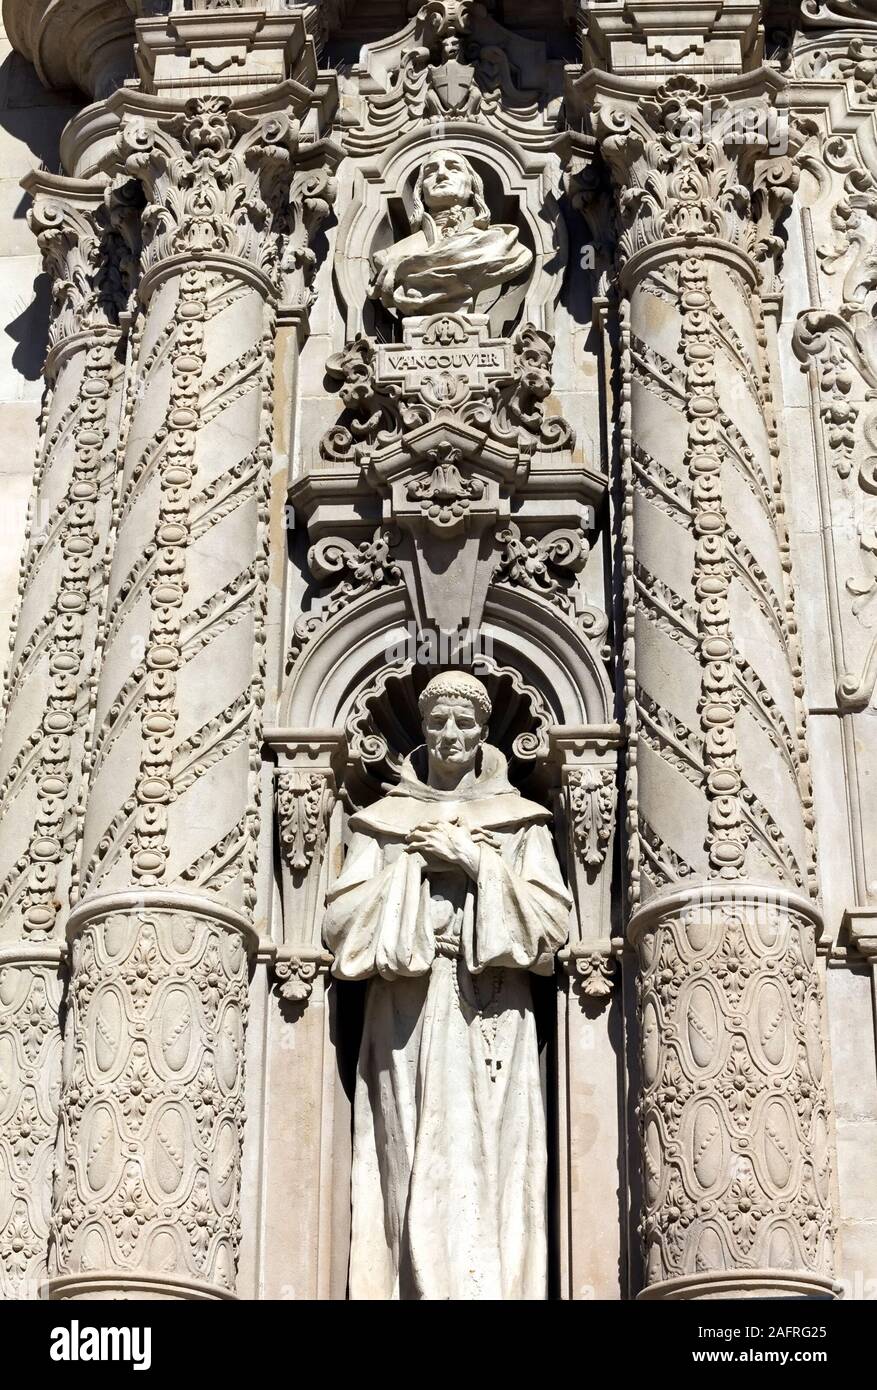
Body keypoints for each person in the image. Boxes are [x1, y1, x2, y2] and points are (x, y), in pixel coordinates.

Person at [323, 671, 571, 1299]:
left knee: (492, 1157)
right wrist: (411, 861)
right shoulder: (385, 821)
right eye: (437, 722)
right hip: (405, 1008)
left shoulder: (522, 823)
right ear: (420, 731)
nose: (451, 735)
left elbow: (551, 929)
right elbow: (340, 925)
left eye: (464, 723)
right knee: (406, 1157)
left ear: (487, 731)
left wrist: (477, 862)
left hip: (493, 1009)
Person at [369, 149, 532, 317]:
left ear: (472, 187)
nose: (441, 174)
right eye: (430, 171)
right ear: (420, 192)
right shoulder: (392, 255)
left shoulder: (501, 242)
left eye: (453, 168)